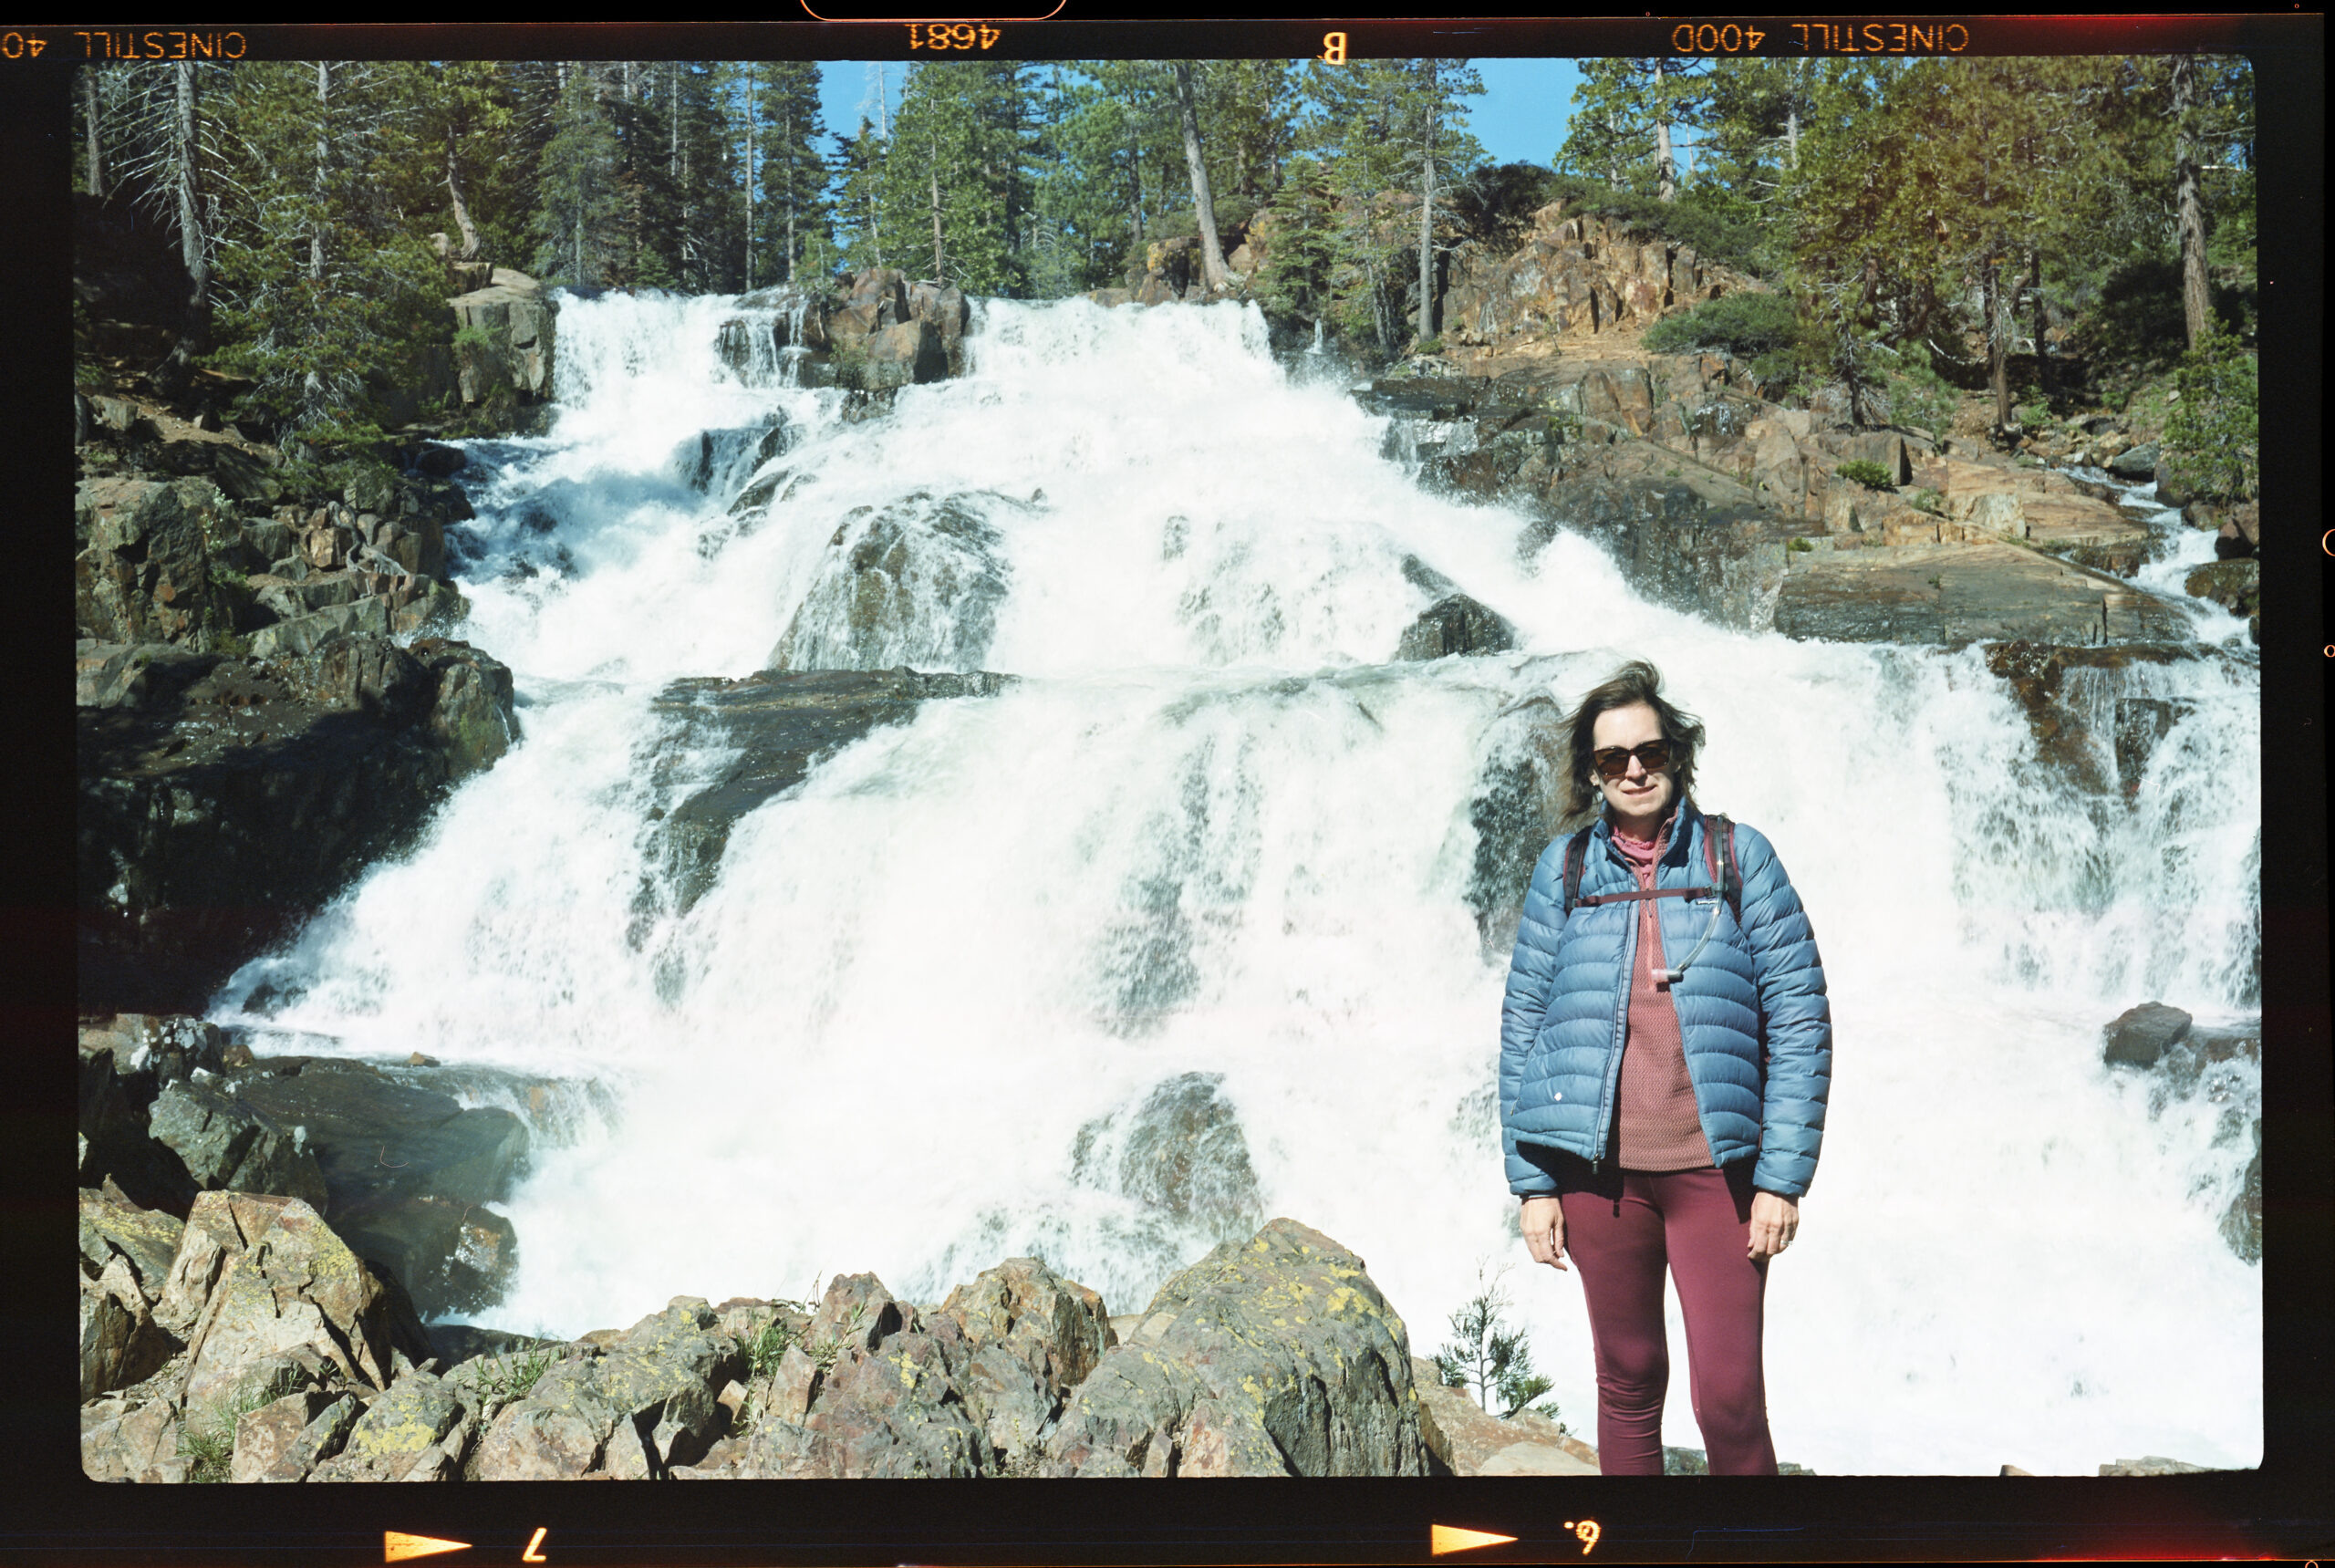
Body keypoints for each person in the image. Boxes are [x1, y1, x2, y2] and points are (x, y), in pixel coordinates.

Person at [1498, 659, 1831, 1476]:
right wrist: (1532, 1184)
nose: (1634, 769)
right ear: (1592, 772)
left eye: (1648, 749)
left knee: (1728, 1397)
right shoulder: (1565, 871)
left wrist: (1782, 1179)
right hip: (1596, 1176)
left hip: (1716, 1176)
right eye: (1613, 758)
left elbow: (1801, 1018)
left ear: (1676, 752)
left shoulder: (1737, 858)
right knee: (1629, 1381)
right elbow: (1523, 1027)